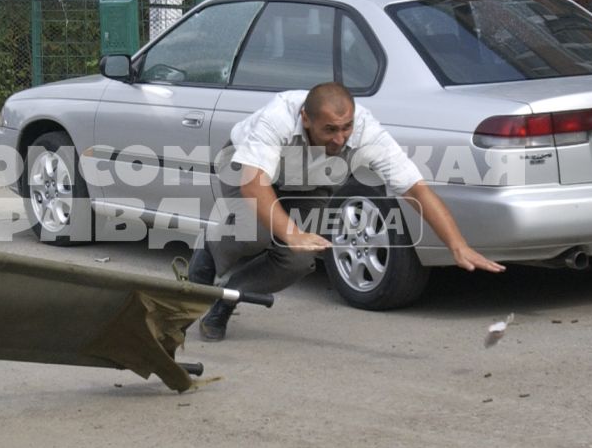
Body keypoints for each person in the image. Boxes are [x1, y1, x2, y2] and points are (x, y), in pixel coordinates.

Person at [187, 82, 503, 340]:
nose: (340, 138)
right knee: (253, 232)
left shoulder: (367, 133)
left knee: (298, 260)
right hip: (245, 167)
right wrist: (292, 232)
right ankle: (209, 251)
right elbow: (254, 186)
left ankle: (226, 299)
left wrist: (456, 245)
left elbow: (415, 189)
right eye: (330, 130)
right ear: (305, 119)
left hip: (310, 181)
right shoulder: (278, 118)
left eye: (346, 127)